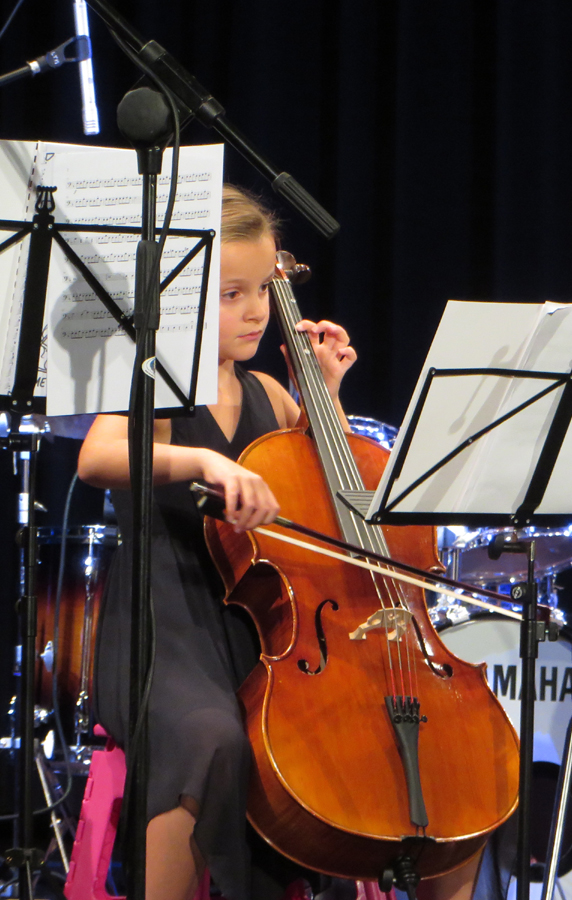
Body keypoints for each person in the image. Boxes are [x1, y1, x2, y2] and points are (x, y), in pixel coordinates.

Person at [78, 185, 356, 900]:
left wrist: (325, 395)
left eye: (263, 288)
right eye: (232, 294)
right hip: (163, 624)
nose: (257, 310)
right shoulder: (157, 380)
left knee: (319, 737)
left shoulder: (271, 394)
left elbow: (324, 495)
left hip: (257, 628)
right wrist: (202, 460)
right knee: (211, 736)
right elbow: (97, 457)